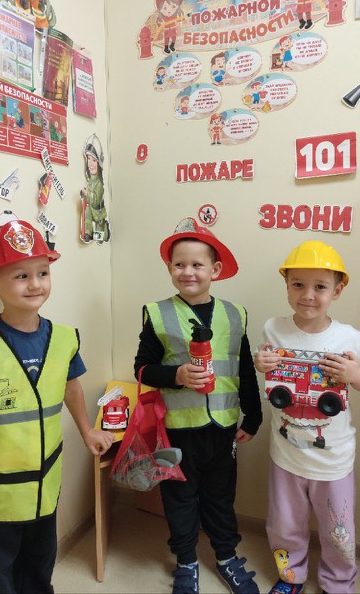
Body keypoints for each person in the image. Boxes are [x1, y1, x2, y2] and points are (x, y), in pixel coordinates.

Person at [0, 217, 115, 594]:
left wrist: (88, 431)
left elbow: (71, 388)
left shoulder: (64, 339)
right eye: (21, 276)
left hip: (44, 489)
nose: (36, 283)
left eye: (42, 272)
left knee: (40, 571)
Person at [134, 217, 262, 594]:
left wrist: (253, 417)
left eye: (196, 264)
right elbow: (142, 368)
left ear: (215, 270)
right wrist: (176, 375)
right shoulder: (158, 313)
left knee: (221, 497)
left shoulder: (235, 314)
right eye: (179, 264)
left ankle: (226, 557)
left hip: (223, 428)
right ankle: (186, 562)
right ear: (169, 269)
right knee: (179, 498)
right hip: (177, 430)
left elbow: (244, 369)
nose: (187, 271)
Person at [254, 240, 360, 594]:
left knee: (339, 530)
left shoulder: (348, 337)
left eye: (320, 286)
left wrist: (353, 374)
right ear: (287, 285)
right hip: (285, 454)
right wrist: (261, 363)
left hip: (333, 459)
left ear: (337, 291)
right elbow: (266, 367)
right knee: (284, 525)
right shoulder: (273, 328)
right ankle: (290, 576)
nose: (308, 295)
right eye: (298, 284)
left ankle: (338, 583)